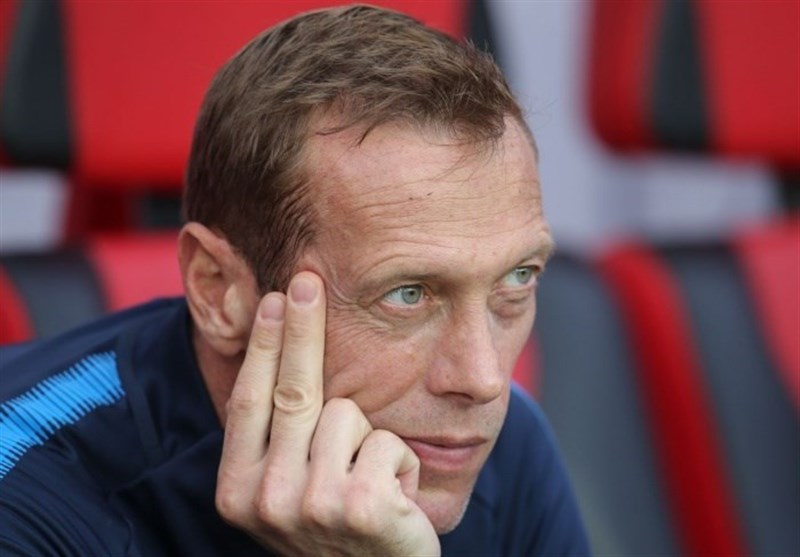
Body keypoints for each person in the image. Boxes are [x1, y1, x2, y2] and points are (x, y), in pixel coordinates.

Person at [0, 5, 591, 556]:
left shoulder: (495, 447)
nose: (484, 380)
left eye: (517, 279)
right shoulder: (23, 501)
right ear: (217, 290)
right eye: (407, 294)